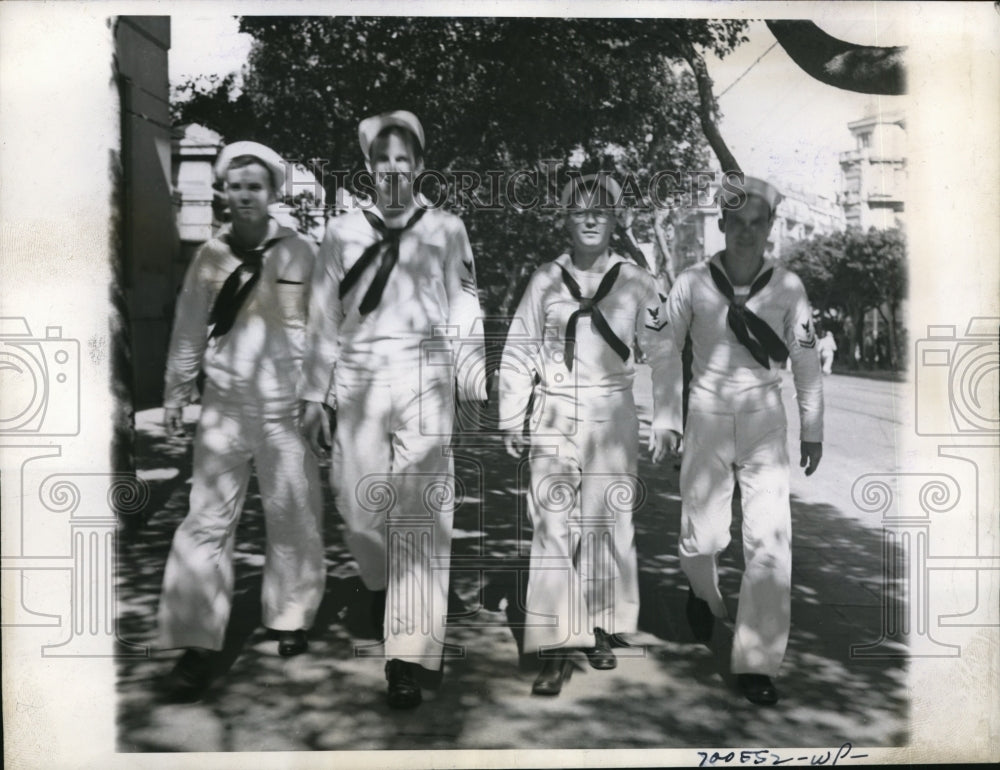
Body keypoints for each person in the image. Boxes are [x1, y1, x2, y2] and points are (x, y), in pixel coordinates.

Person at [298, 111, 487, 709]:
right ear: (370, 169)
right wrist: (313, 395)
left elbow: (466, 309)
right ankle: (378, 583)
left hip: (426, 378)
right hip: (357, 379)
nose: (394, 171)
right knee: (357, 512)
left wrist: (472, 384)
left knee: (421, 517)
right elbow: (321, 319)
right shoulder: (340, 233)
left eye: (404, 161)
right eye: (383, 162)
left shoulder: (448, 229)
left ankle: (407, 654)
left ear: (420, 167)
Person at [499, 174, 681, 697]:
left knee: (607, 521)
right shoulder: (545, 280)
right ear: (565, 217)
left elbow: (665, 352)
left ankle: (601, 624)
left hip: (612, 412)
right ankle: (557, 645)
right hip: (555, 409)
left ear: (616, 219)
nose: (590, 217)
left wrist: (667, 418)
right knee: (552, 524)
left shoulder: (638, 282)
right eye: (579, 209)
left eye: (601, 210)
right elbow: (520, 348)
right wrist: (512, 415)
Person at [156, 141, 326, 702]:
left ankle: (291, 617)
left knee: (293, 514)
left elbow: (326, 331)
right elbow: (187, 327)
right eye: (236, 186)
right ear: (223, 193)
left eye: (256, 186)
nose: (245, 195)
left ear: (274, 192)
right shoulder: (209, 257)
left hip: (285, 407)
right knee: (205, 520)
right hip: (225, 405)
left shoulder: (303, 252)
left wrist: (319, 397)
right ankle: (195, 644)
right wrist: (178, 393)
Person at [660, 175, 824, 706]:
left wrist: (812, 427)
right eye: (738, 223)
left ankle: (757, 663)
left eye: (758, 224)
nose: (747, 233)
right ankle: (703, 592)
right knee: (700, 539)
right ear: (723, 224)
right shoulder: (691, 283)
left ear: (770, 228)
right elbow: (663, 346)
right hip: (706, 418)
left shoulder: (789, 287)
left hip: (764, 422)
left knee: (769, 543)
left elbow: (804, 360)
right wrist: (666, 417)